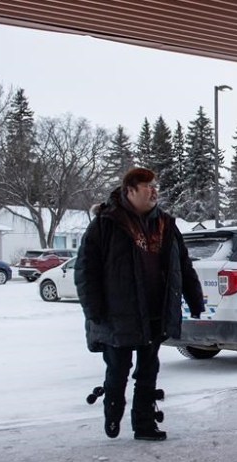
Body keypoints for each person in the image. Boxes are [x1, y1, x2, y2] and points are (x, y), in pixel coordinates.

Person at [75, 167, 203, 441]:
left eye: (155, 186)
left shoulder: (166, 224)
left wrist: (194, 297)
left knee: (148, 370)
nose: (154, 191)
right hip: (117, 314)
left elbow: (182, 264)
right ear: (130, 191)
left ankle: (145, 424)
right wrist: (93, 309)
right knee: (118, 370)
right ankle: (114, 411)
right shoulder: (105, 223)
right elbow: (86, 270)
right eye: (147, 187)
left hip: (155, 312)